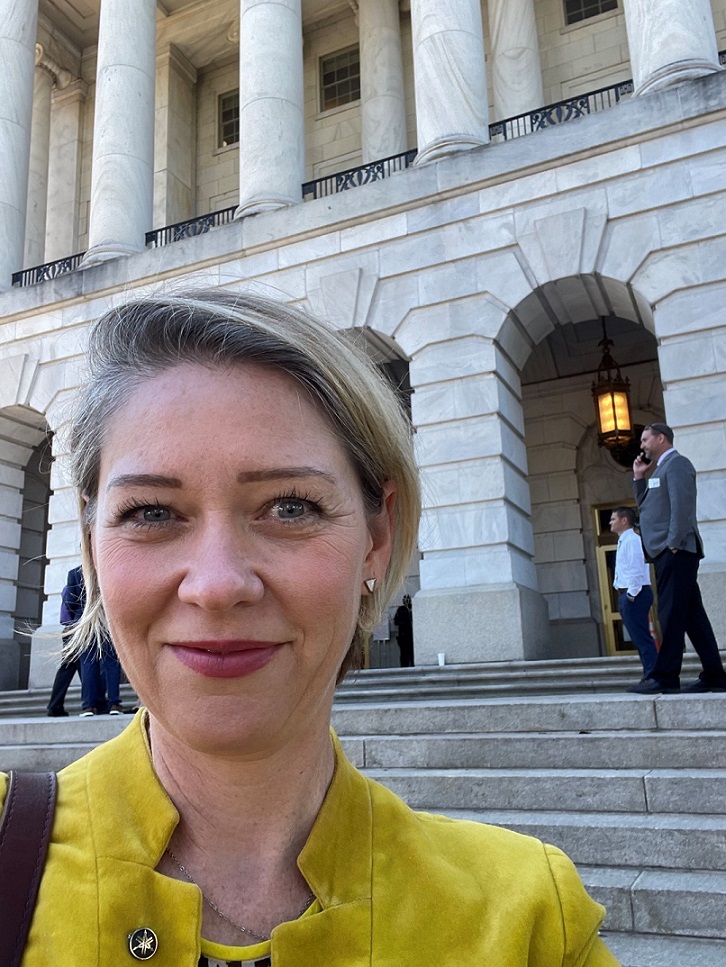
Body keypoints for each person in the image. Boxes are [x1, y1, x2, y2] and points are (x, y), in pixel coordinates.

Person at [1, 292, 618, 965]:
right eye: (151, 511)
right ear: (92, 543)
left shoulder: (531, 923)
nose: (216, 585)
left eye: (289, 506)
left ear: (376, 536)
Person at [630, 423, 726, 695]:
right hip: (668, 551)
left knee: (670, 613)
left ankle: (665, 676)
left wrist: (672, 544)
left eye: (646, 439)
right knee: (692, 615)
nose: (642, 445)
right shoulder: (658, 469)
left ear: (661, 438)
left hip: (676, 550)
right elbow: (647, 506)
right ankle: (715, 674)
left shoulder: (677, 464)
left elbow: (682, 507)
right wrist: (639, 477)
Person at [609, 507, 657, 684]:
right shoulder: (624, 540)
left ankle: (653, 675)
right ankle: (649, 674)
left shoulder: (632, 540)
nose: (610, 522)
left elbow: (637, 567)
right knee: (639, 638)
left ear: (624, 521)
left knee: (642, 638)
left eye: (613, 519)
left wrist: (631, 595)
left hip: (635, 594)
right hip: (630, 595)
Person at [45, 566, 84, 716]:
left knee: (74, 667)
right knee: (77, 666)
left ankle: (55, 705)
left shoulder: (73, 575)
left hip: (70, 628)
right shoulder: (76, 575)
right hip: (76, 628)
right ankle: (94, 702)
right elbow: (72, 603)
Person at [393, 593, 414, 667]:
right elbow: (395, 621)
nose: (406, 601)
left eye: (407, 599)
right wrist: (404, 622)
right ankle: (404, 667)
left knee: (412, 653)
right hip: (403, 635)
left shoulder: (413, 608)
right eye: (405, 599)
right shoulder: (401, 609)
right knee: (404, 653)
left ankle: (413, 666)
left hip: (411, 635)